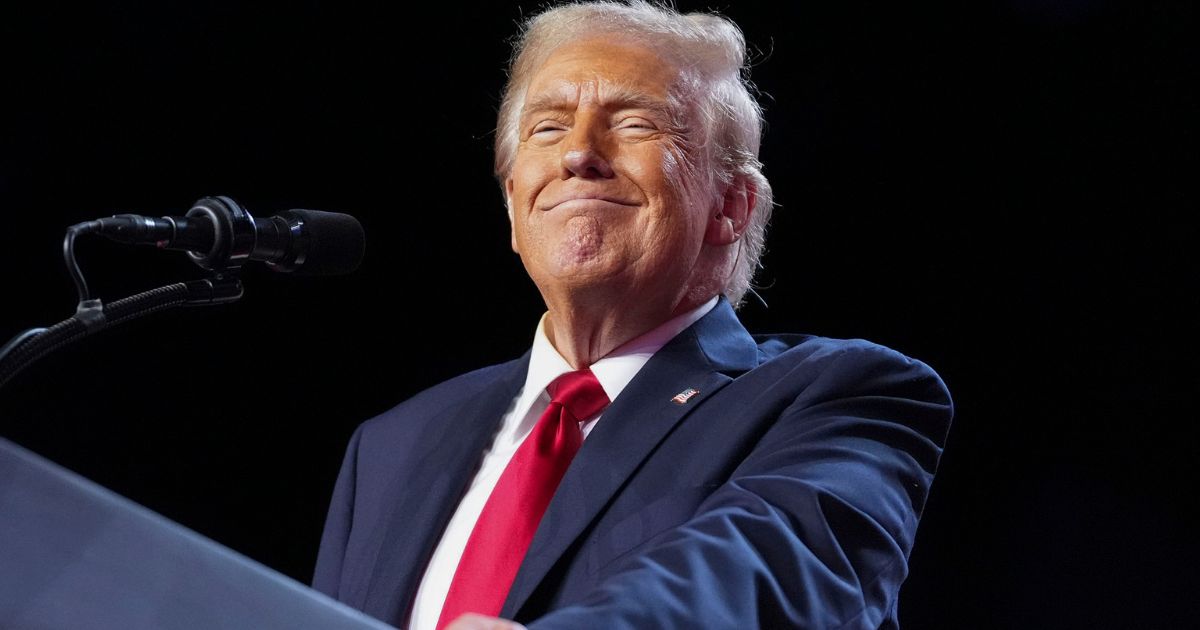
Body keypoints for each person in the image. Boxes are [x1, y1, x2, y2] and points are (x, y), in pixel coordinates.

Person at [312, 2, 953, 629]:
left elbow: (755, 571)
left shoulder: (842, 397)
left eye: (635, 124)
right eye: (548, 127)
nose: (578, 154)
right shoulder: (390, 446)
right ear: (513, 205)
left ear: (730, 205)